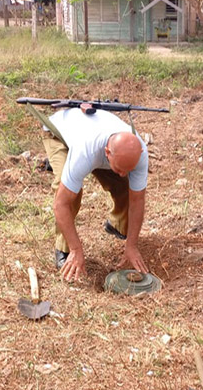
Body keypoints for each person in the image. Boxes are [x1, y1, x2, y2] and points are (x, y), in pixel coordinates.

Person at [40, 105, 150, 282]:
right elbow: (61, 205)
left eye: (128, 169)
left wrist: (132, 245)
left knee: (125, 185)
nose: (123, 173)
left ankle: (118, 225)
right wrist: (77, 249)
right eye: (120, 168)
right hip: (58, 134)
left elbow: (137, 200)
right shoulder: (86, 151)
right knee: (70, 193)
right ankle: (64, 248)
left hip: (96, 143)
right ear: (107, 153)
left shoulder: (139, 153)